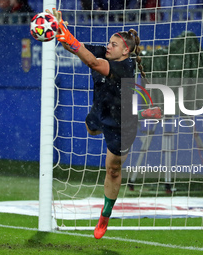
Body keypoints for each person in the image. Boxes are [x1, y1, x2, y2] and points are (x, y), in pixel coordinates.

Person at [47, 8, 161, 239]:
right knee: (90, 129)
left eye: (114, 44)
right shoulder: (108, 54)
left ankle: (105, 215)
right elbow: (75, 48)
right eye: (109, 42)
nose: (108, 46)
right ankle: (140, 113)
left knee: (113, 169)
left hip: (121, 125)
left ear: (125, 50)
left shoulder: (123, 67)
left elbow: (91, 61)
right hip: (99, 113)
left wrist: (68, 38)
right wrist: (60, 30)